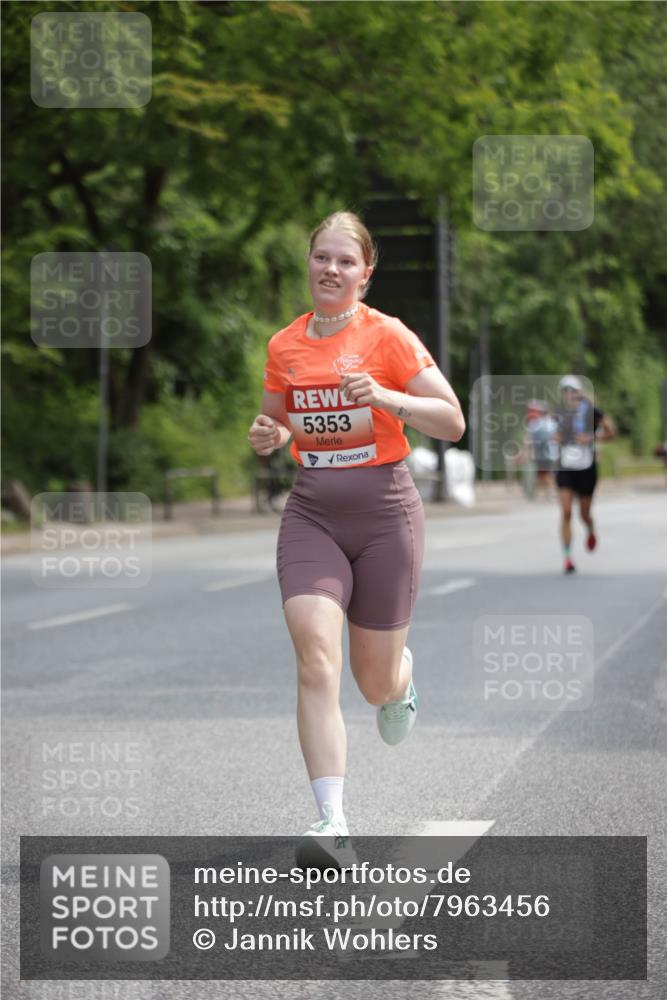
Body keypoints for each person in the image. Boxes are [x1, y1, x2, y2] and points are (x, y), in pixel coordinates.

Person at [248, 211, 465, 869]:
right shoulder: (284, 345)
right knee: (315, 656)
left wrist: (387, 397)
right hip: (311, 512)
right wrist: (271, 436)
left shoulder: (389, 337)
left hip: (384, 516)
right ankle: (332, 820)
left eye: (346, 262)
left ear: (364, 275)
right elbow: (277, 420)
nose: (331, 270)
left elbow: (452, 422)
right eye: (322, 258)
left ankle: (401, 683)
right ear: (308, 263)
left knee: (372, 684)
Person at [554, 375, 615, 574]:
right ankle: (568, 557)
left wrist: (591, 437)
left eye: (573, 391)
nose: (569, 395)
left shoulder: (591, 411)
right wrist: (558, 438)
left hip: (587, 468)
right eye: (565, 391)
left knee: (583, 514)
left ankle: (590, 528)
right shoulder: (559, 413)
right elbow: (553, 434)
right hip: (565, 467)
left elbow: (611, 433)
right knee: (566, 512)